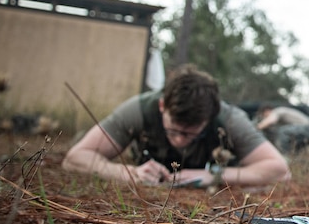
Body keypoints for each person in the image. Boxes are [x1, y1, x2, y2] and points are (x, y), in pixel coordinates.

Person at [64, 64, 290, 187]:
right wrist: (128, 173)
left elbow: (279, 170)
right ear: (162, 105)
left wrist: (214, 175)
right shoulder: (139, 110)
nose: (181, 139)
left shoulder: (230, 119)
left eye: (191, 132)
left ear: (210, 117)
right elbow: (76, 158)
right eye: (174, 130)